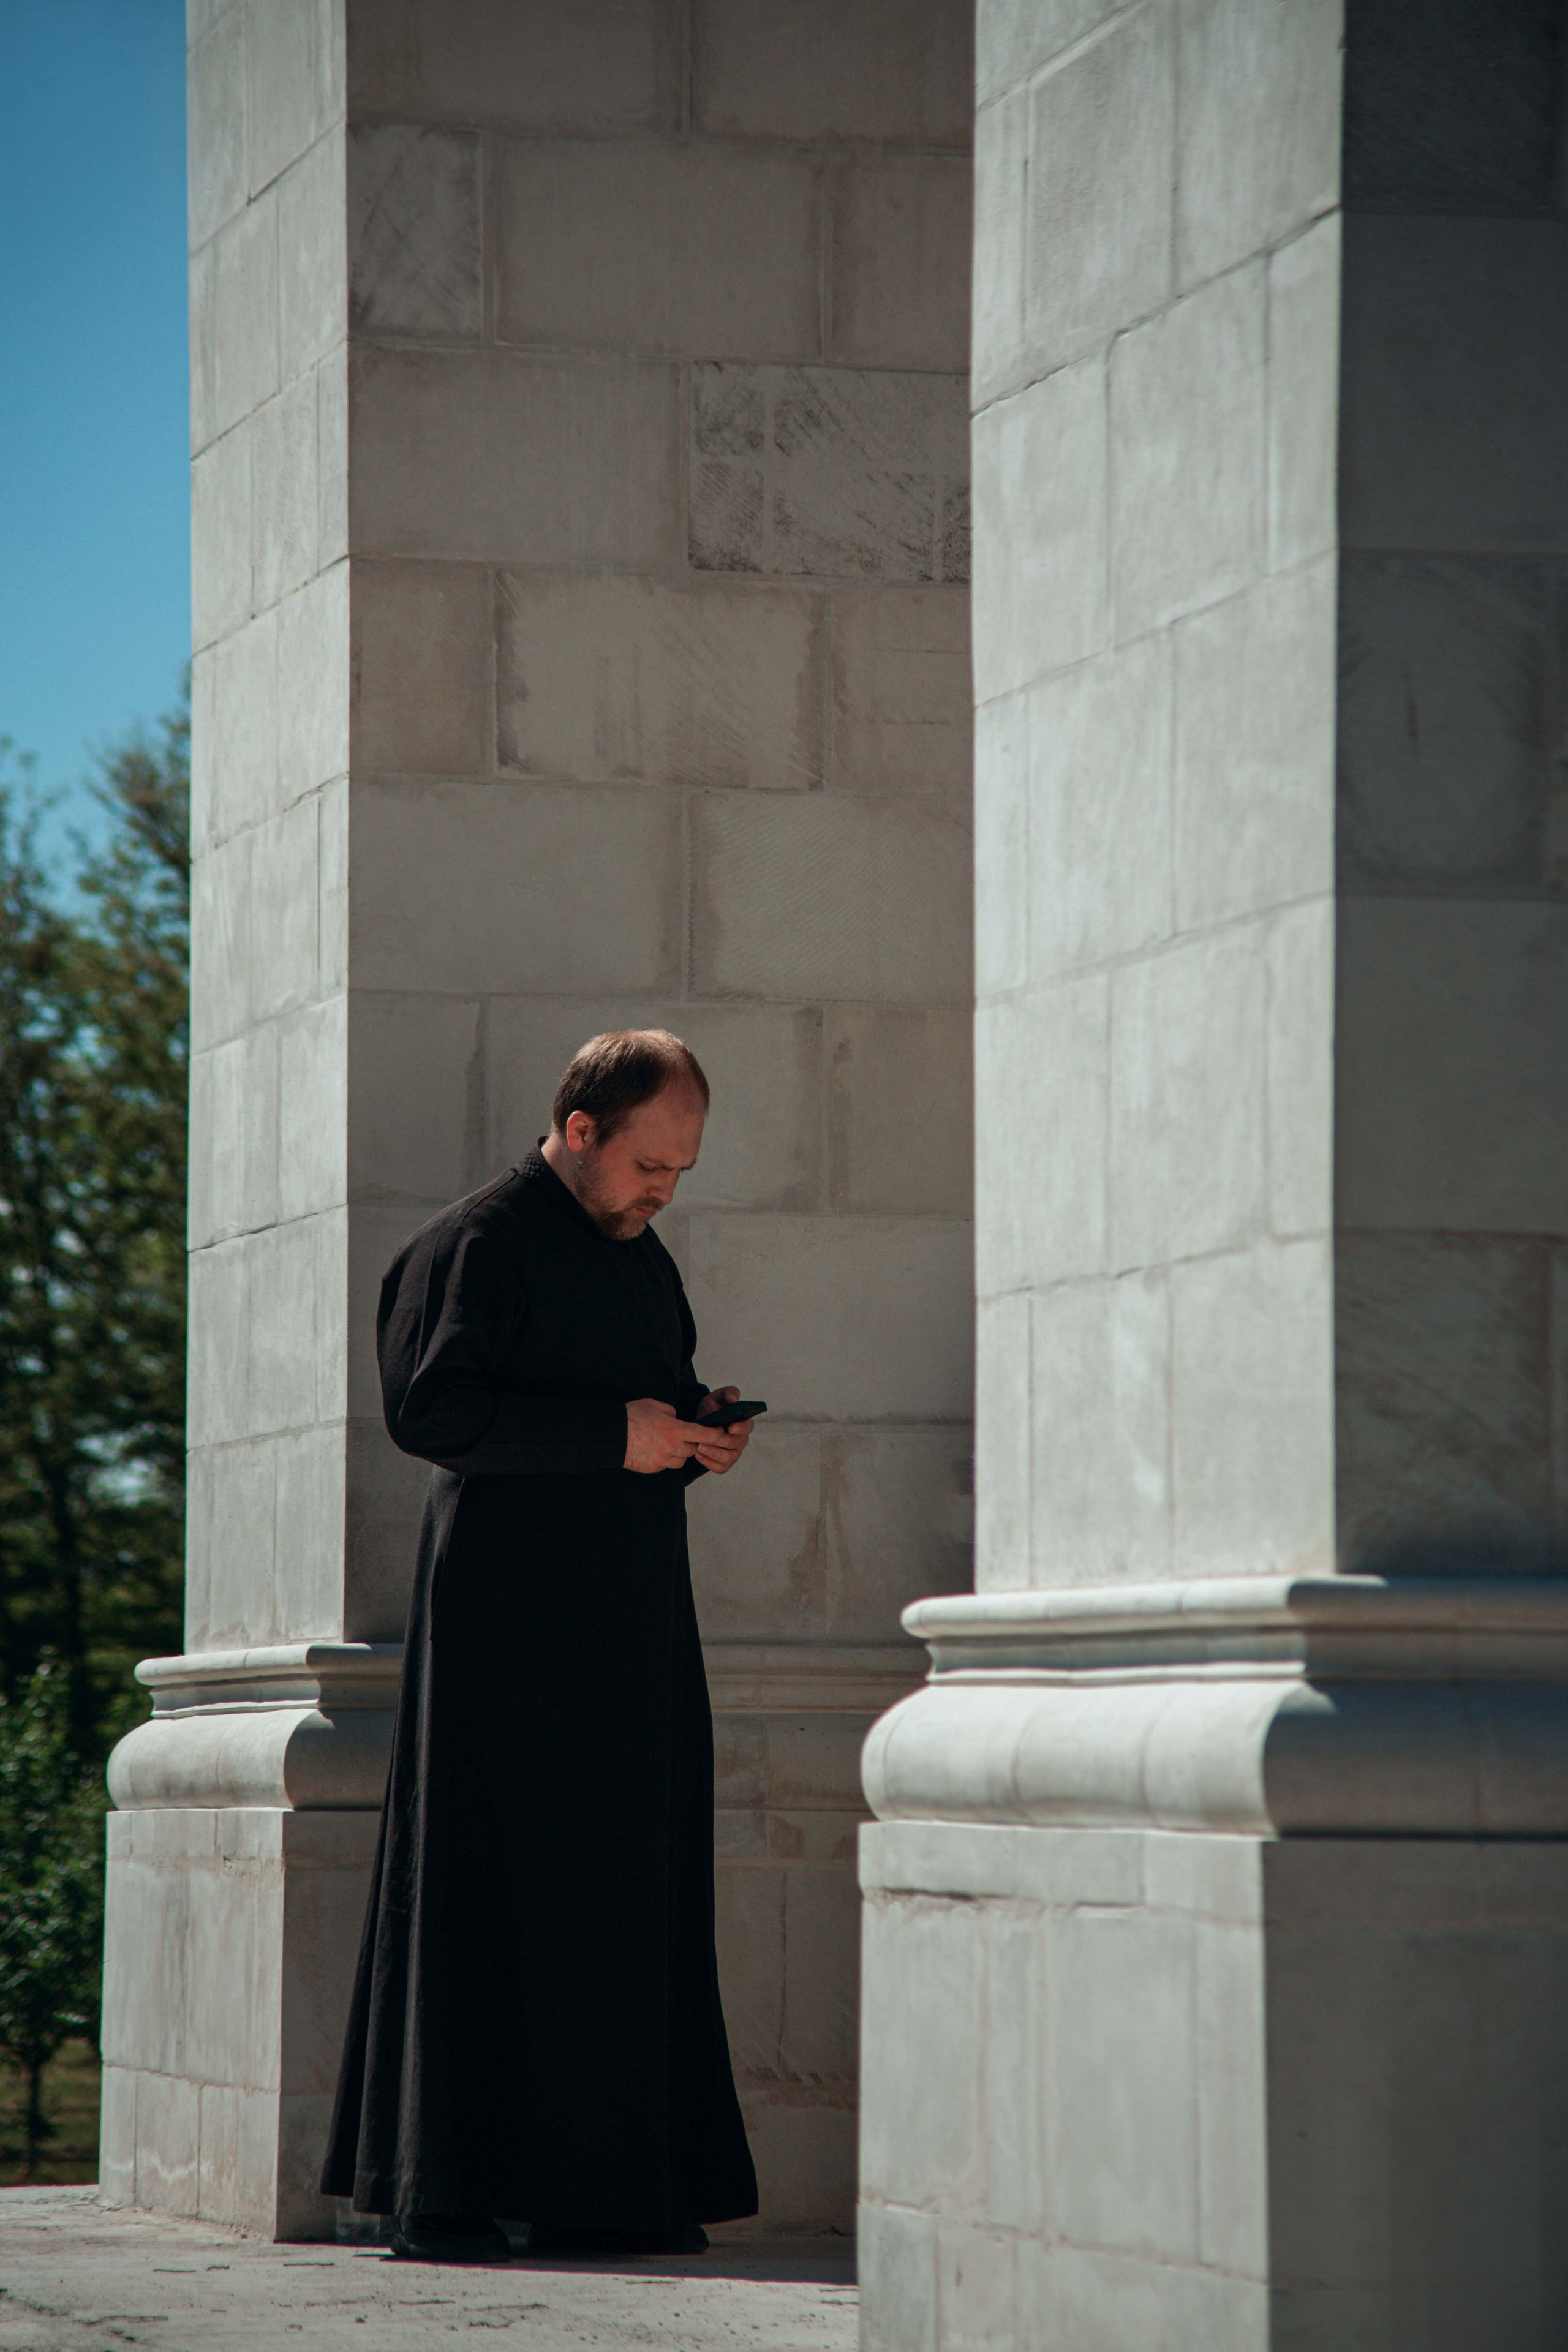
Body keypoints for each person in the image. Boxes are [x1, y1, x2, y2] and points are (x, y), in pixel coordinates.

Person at [320, 1030, 760, 2262]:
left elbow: (636, 1404)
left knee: (621, 1895)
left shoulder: (638, 1256)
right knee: (495, 1889)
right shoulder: (473, 1244)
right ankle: (449, 2193)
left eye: (679, 1168)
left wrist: (696, 1434)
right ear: (579, 1131)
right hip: (506, 1636)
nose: (664, 1188)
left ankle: (605, 2188)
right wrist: (610, 1436)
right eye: (649, 1163)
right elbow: (431, 1412)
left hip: (627, 1628)